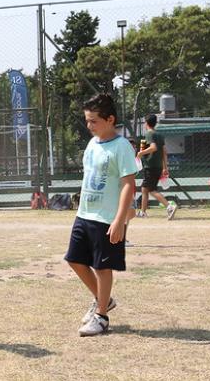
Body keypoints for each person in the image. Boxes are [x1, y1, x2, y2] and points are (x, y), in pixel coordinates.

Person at [64, 94, 137, 336]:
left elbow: (128, 184)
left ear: (110, 119)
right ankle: (103, 299)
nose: (89, 126)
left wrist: (119, 220)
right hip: (85, 214)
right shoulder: (92, 144)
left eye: (94, 121)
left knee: (102, 268)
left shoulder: (122, 146)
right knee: (74, 259)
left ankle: (102, 316)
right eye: (87, 120)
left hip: (107, 218)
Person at [137, 114, 177, 220]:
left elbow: (153, 148)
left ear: (146, 123)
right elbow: (164, 152)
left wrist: (141, 153)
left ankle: (169, 206)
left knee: (150, 190)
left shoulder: (149, 134)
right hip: (157, 166)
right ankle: (142, 212)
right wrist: (165, 167)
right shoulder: (159, 135)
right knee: (145, 189)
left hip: (150, 166)